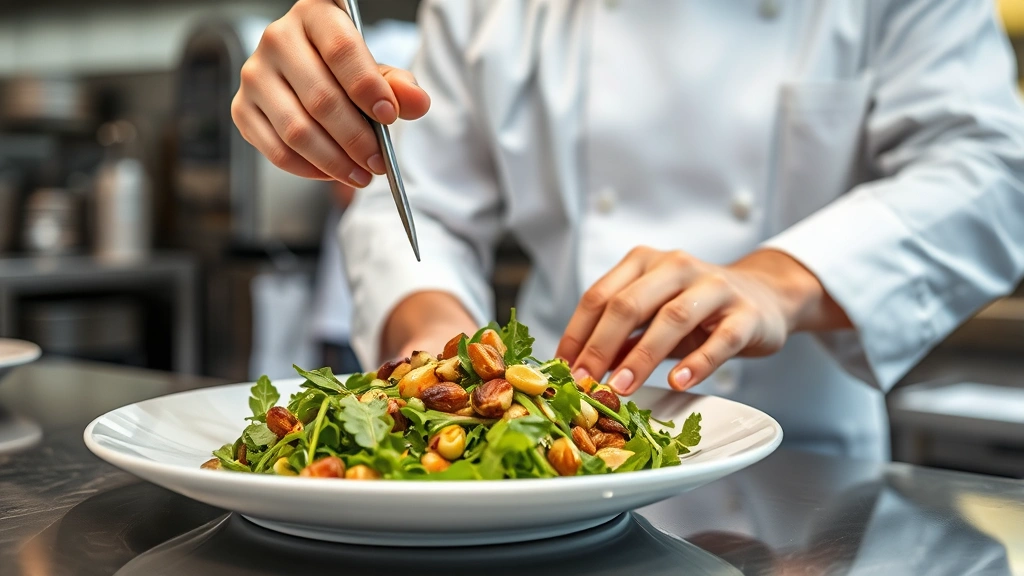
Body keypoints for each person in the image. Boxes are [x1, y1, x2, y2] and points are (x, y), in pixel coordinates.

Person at [231, 0, 1024, 460]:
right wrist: (439, 347)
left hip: (809, 482)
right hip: (537, 461)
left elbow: (992, 168)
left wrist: (779, 280)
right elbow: (417, 192)